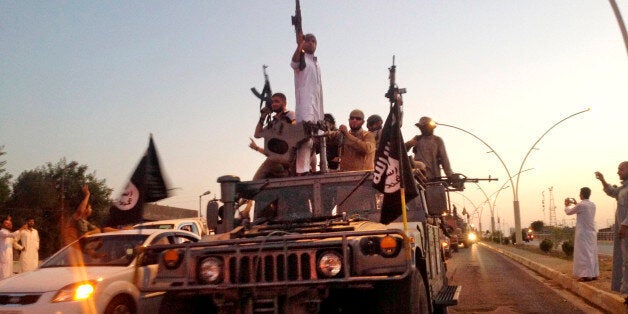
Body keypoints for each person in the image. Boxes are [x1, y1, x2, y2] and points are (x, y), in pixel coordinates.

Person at [291, 33, 324, 175]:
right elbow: (294, 62)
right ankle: (302, 171)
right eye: (308, 41)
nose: (311, 43)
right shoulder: (301, 58)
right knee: (305, 139)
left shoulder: (316, 62)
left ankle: (315, 168)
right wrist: (299, 45)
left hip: (317, 105)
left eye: (313, 41)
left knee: (318, 138)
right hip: (305, 104)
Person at [595, 161, 628, 300]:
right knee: (624, 261)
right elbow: (610, 191)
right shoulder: (622, 189)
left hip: (626, 230)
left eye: (621, 169)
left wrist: (625, 225)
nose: (618, 172)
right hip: (623, 232)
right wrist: (602, 180)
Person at [250, 93, 296, 180]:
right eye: (272, 102)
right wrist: (263, 117)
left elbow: (295, 126)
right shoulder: (273, 123)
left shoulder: (289, 114)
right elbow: (257, 135)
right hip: (278, 158)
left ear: (284, 103)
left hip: (289, 156)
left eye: (277, 101)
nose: (274, 104)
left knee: (256, 180)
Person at [564, 187, 599, 281]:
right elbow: (583, 211)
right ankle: (594, 274)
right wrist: (576, 204)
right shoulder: (592, 205)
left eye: (580, 193)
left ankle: (584, 275)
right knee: (592, 253)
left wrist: (566, 205)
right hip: (591, 232)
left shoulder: (581, 205)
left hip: (583, 233)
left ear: (582, 195)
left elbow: (569, 212)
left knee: (583, 254)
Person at [404, 116, 454, 181]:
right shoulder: (417, 138)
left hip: (434, 177)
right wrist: (409, 144)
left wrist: (450, 175)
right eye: (422, 127)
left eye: (426, 127)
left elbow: (444, 159)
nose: (423, 129)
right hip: (419, 177)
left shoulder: (437, 140)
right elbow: (402, 150)